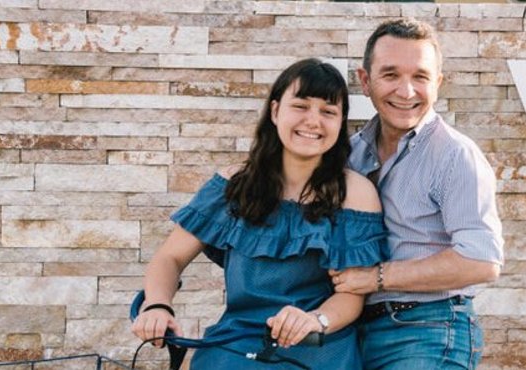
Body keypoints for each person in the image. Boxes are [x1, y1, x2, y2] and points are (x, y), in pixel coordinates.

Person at [131, 58, 389, 369]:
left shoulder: (355, 193)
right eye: (301, 106)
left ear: (340, 123)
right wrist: (157, 305)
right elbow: (169, 258)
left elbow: (353, 294)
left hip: (317, 345)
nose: (313, 121)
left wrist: (314, 320)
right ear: (276, 110)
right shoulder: (232, 184)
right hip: (235, 342)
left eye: (328, 112)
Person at [328, 19, 505, 370]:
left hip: (428, 328)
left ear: (437, 84)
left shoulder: (455, 155)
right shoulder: (349, 153)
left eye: (420, 77)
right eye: (391, 75)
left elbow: (481, 260)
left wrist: (377, 278)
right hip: (351, 331)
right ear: (365, 81)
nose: (406, 91)